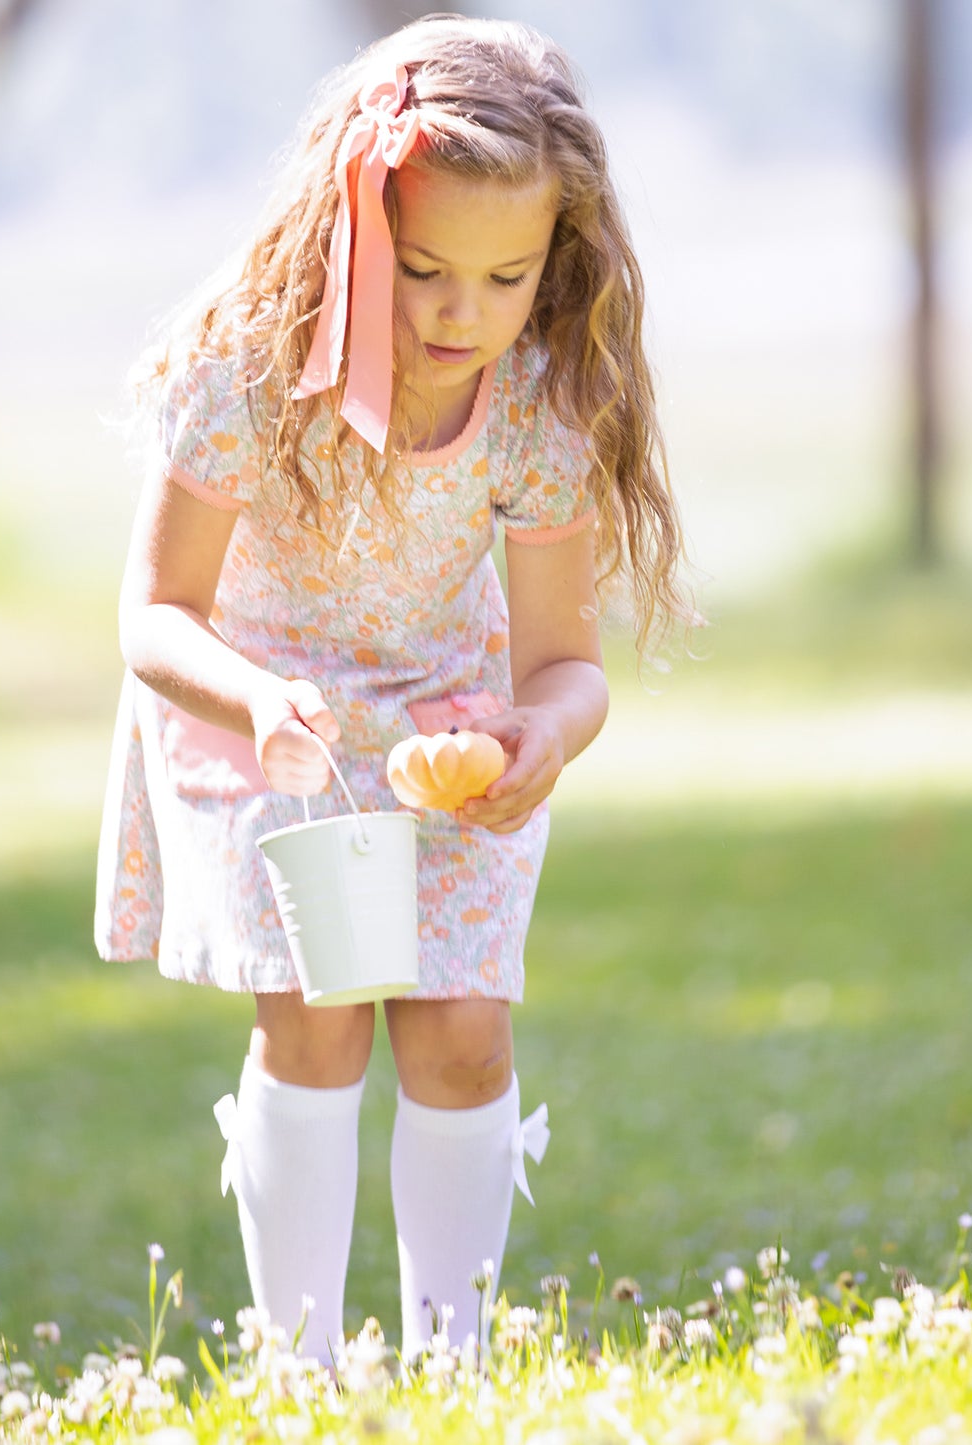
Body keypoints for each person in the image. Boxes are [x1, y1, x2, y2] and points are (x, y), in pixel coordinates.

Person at [94, 14, 690, 1366]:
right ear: (349, 223)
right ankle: (298, 1366)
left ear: (554, 260)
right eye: (421, 267)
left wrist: (539, 735)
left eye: (504, 276)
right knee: (317, 1017)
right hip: (270, 724)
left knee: (463, 1038)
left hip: (446, 724)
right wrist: (255, 701)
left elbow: (563, 663)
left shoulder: (536, 404)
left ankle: (451, 1359)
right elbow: (155, 613)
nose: (459, 313)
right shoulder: (244, 374)